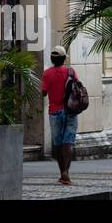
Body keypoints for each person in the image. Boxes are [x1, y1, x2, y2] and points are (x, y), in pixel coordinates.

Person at [40, 45, 77, 185]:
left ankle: (62, 172)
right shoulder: (70, 71)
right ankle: (66, 172)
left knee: (58, 143)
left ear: (52, 59)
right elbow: (77, 86)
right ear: (63, 59)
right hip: (70, 110)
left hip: (54, 111)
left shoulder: (47, 73)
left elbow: (43, 92)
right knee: (69, 142)